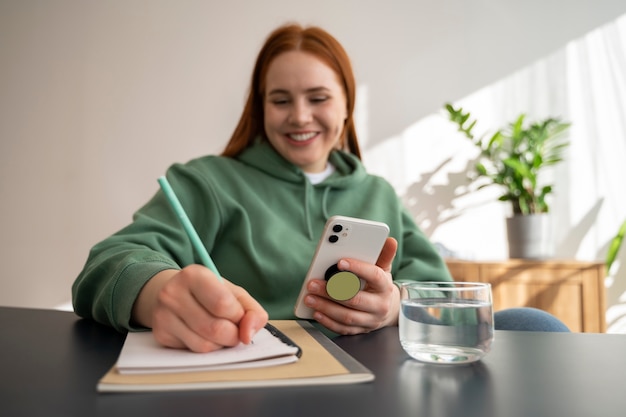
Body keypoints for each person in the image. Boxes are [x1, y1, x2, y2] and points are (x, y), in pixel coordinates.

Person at [72, 23, 568, 353]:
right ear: (260, 109)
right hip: (262, 370)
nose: (301, 116)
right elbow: (109, 262)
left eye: (318, 98)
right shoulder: (206, 181)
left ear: (348, 106)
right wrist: (155, 292)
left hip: (379, 375)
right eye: (281, 100)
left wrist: (395, 305)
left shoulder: (377, 194)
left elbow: (438, 295)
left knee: (536, 324)